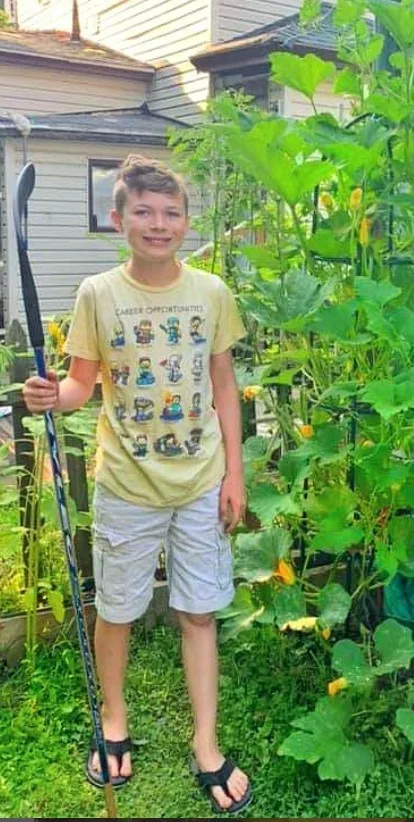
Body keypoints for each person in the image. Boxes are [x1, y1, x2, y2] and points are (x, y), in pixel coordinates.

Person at [22, 155, 251, 814]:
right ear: (118, 219)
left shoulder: (211, 293)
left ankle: (206, 743)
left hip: (202, 481)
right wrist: (51, 395)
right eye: (143, 212)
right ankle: (115, 720)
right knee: (116, 612)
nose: (158, 224)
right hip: (125, 485)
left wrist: (235, 471)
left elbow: (225, 385)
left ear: (187, 220)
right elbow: (81, 385)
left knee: (198, 612)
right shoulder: (99, 294)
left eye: (171, 212)